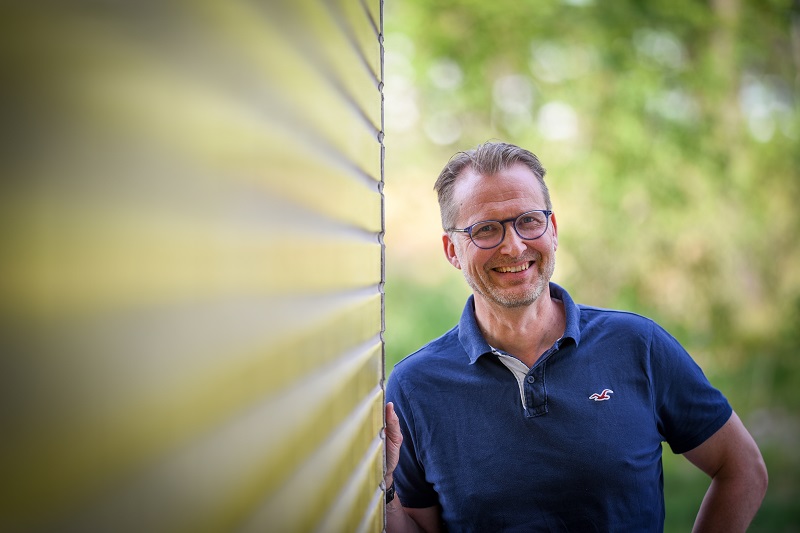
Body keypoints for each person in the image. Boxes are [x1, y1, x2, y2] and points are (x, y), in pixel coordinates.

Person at [384, 142, 768, 532]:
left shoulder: (637, 345)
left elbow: (741, 468)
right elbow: (417, 527)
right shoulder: (415, 387)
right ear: (452, 250)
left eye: (528, 221)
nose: (514, 245)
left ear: (552, 229)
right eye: (486, 229)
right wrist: (383, 493)